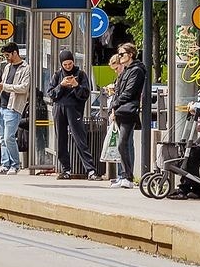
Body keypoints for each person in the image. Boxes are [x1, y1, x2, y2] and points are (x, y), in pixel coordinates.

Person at [47, 49, 96, 179]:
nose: (68, 67)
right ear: (61, 64)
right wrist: (61, 85)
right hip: (59, 109)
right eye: (65, 65)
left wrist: (76, 85)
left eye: (70, 64)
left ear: (73, 62)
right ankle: (65, 170)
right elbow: (51, 94)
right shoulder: (57, 75)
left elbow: (85, 94)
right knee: (61, 140)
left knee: (79, 138)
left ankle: (90, 170)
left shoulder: (80, 74)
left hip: (74, 110)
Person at [107, 42, 146, 189]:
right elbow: (119, 90)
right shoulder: (128, 70)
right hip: (122, 110)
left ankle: (127, 176)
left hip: (128, 111)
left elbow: (128, 92)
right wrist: (113, 107)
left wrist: (114, 105)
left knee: (124, 143)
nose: (120, 57)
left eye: (122, 54)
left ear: (130, 55)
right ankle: (124, 175)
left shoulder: (136, 70)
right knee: (122, 144)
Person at [0, 42, 30, 175]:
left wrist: (5, 86)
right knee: (2, 138)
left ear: (15, 53)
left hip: (13, 107)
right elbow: (5, 85)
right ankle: (5, 164)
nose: (6, 58)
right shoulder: (7, 67)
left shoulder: (26, 68)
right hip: (2, 105)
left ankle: (15, 164)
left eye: (8, 55)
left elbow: (24, 87)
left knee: (9, 137)